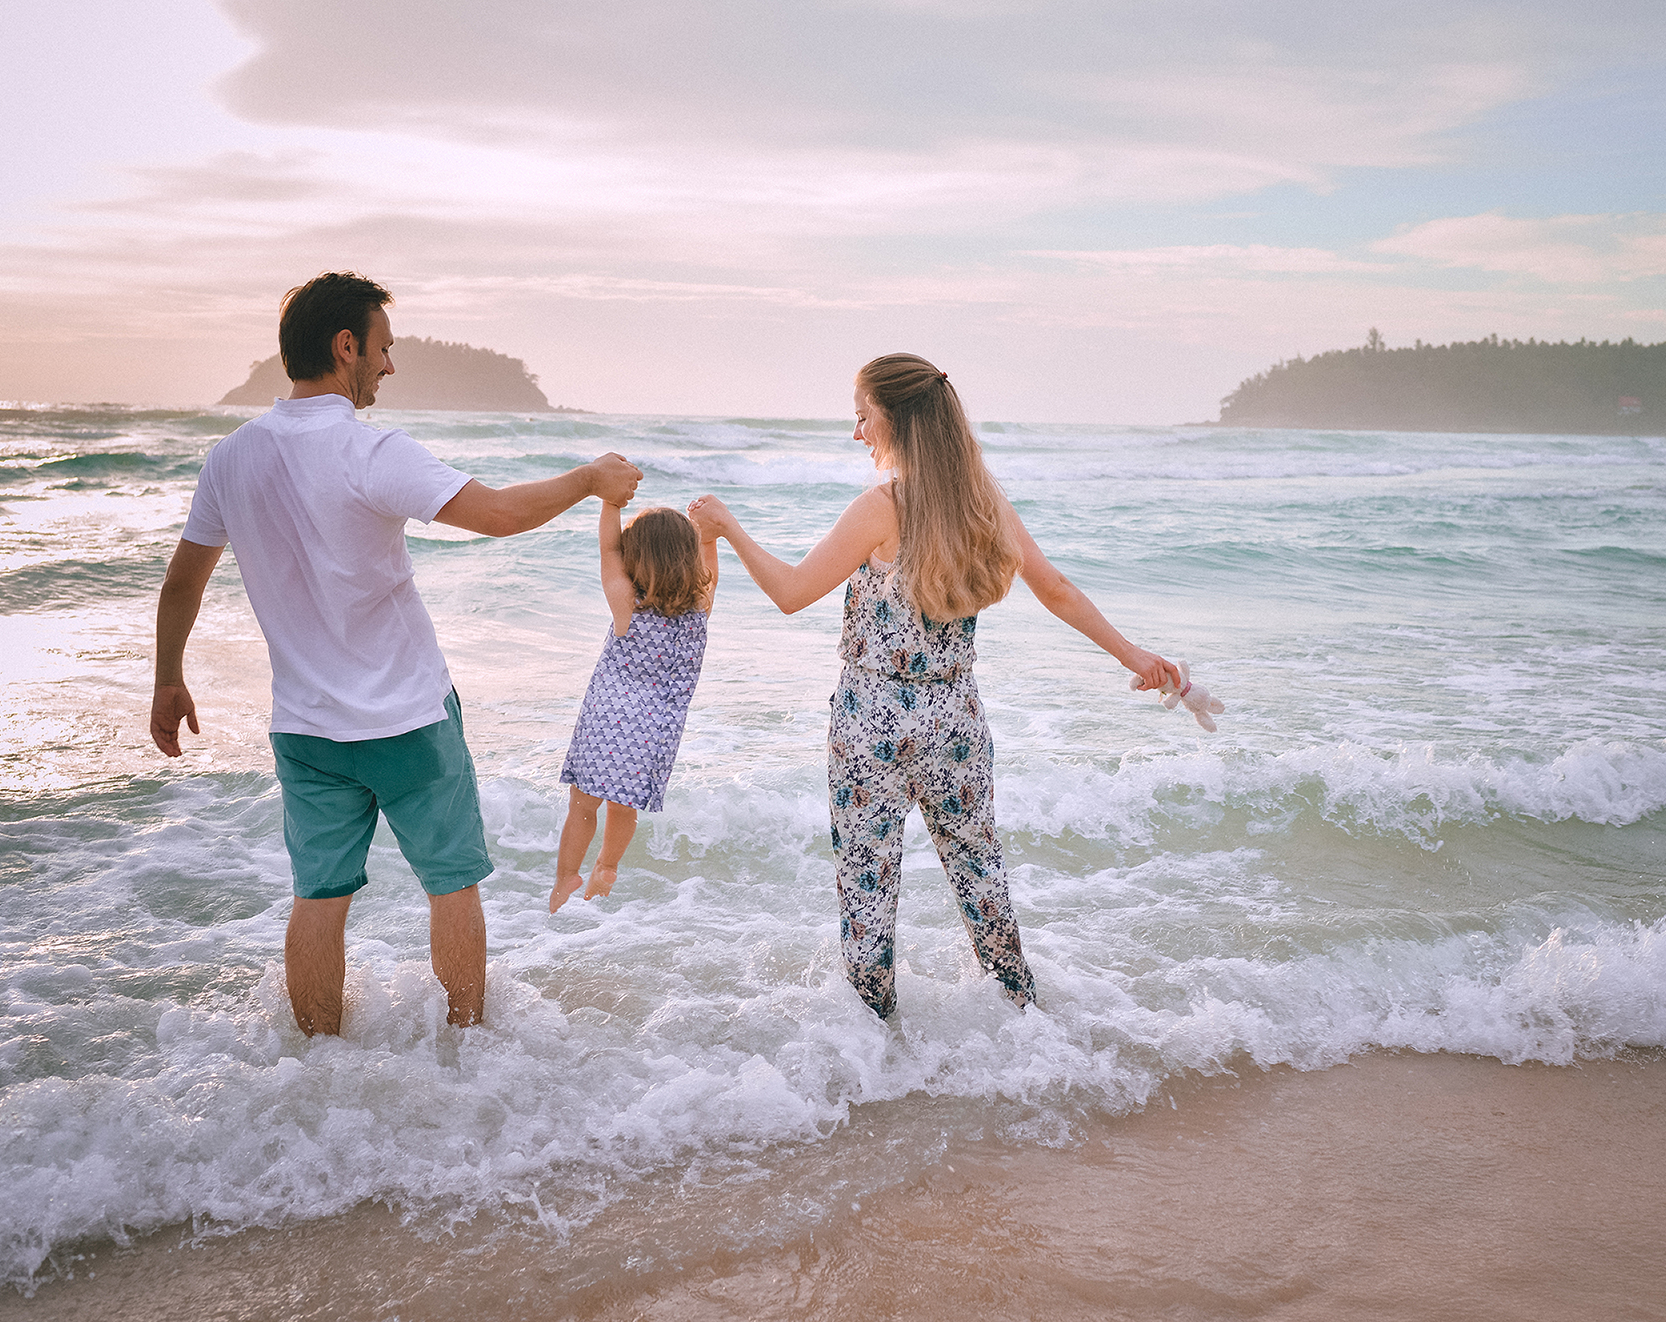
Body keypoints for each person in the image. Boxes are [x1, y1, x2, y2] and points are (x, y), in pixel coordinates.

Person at [150, 270, 643, 1037]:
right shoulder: (370, 451)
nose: (389, 366)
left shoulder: (231, 458)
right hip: (408, 717)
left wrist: (168, 679)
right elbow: (499, 516)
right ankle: (468, 1048)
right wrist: (588, 479)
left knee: (319, 896)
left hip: (307, 728)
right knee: (451, 886)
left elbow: (182, 582)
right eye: (382, 348)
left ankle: (320, 1064)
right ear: (345, 346)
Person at [689, 353, 1177, 1019]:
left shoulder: (880, 508)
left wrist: (726, 526)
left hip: (872, 728)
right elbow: (1056, 591)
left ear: (894, 418)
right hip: (957, 724)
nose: (858, 433)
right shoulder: (983, 504)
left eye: (862, 417)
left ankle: (874, 1061)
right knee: (983, 886)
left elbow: (791, 593)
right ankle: (1030, 1034)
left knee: (868, 896)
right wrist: (1134, 655)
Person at [548, 502, 718, 912]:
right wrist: (710, 536)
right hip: (657, 730)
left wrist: (610, 503)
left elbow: (607, 551)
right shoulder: (701, 607)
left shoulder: (628, 604)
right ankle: (607, 864)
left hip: (608, 720)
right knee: (623, 806)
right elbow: (710, 565)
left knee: (583, 804)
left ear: (635, 557)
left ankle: (566, 876)